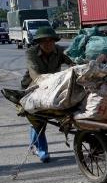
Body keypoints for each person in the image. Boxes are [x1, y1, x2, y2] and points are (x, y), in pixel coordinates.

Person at [21, 27, 74, 162]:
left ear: (54, 41)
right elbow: (34, 74)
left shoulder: (61, 51)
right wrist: (50, 82)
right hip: (33, 87)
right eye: (43, 41)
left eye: (50, 41)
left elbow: (74, 62)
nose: (47, 44)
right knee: (38, 120)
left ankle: (35, 145)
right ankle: (41, 149)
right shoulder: (31, 53)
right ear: (38, 42)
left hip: (53, 87)